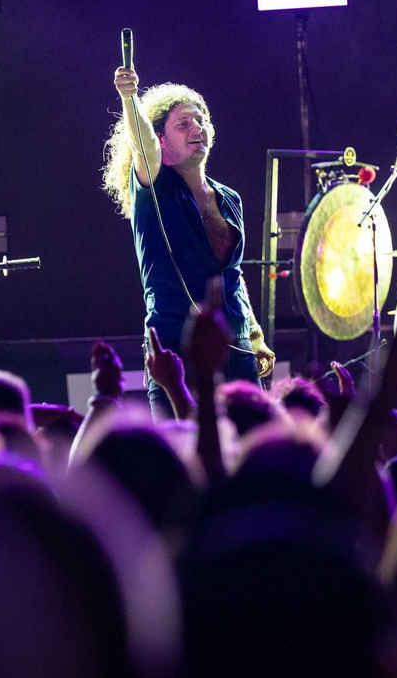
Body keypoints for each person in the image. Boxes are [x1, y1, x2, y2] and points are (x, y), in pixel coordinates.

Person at [103, 66, 272, 417]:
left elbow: (233, 275)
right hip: (176, 352)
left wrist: (254, 335)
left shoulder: (230, 198)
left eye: (201, 121)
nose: (197, 128)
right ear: (162, 140)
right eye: (183, 124)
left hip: (236, 349)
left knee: (250, 458)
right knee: (184, 461)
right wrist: (129, 99)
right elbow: (143, 144)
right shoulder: (153, 185)